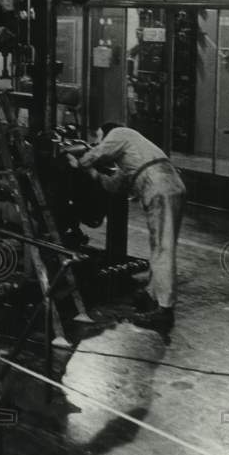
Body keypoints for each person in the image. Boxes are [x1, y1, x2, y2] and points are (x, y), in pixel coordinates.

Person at [66, 122, 186, 334]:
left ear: (107, 132)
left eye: (99, 137)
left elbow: (95, 155)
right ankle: (151, 295)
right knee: (161, 246)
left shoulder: (121, 133)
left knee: (162, 249)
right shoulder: (132, 154)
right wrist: (94, 174)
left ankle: (164, 313)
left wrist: (77, 161)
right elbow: (115, 185)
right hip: (171, 183)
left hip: (158, 184)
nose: (99, 142)